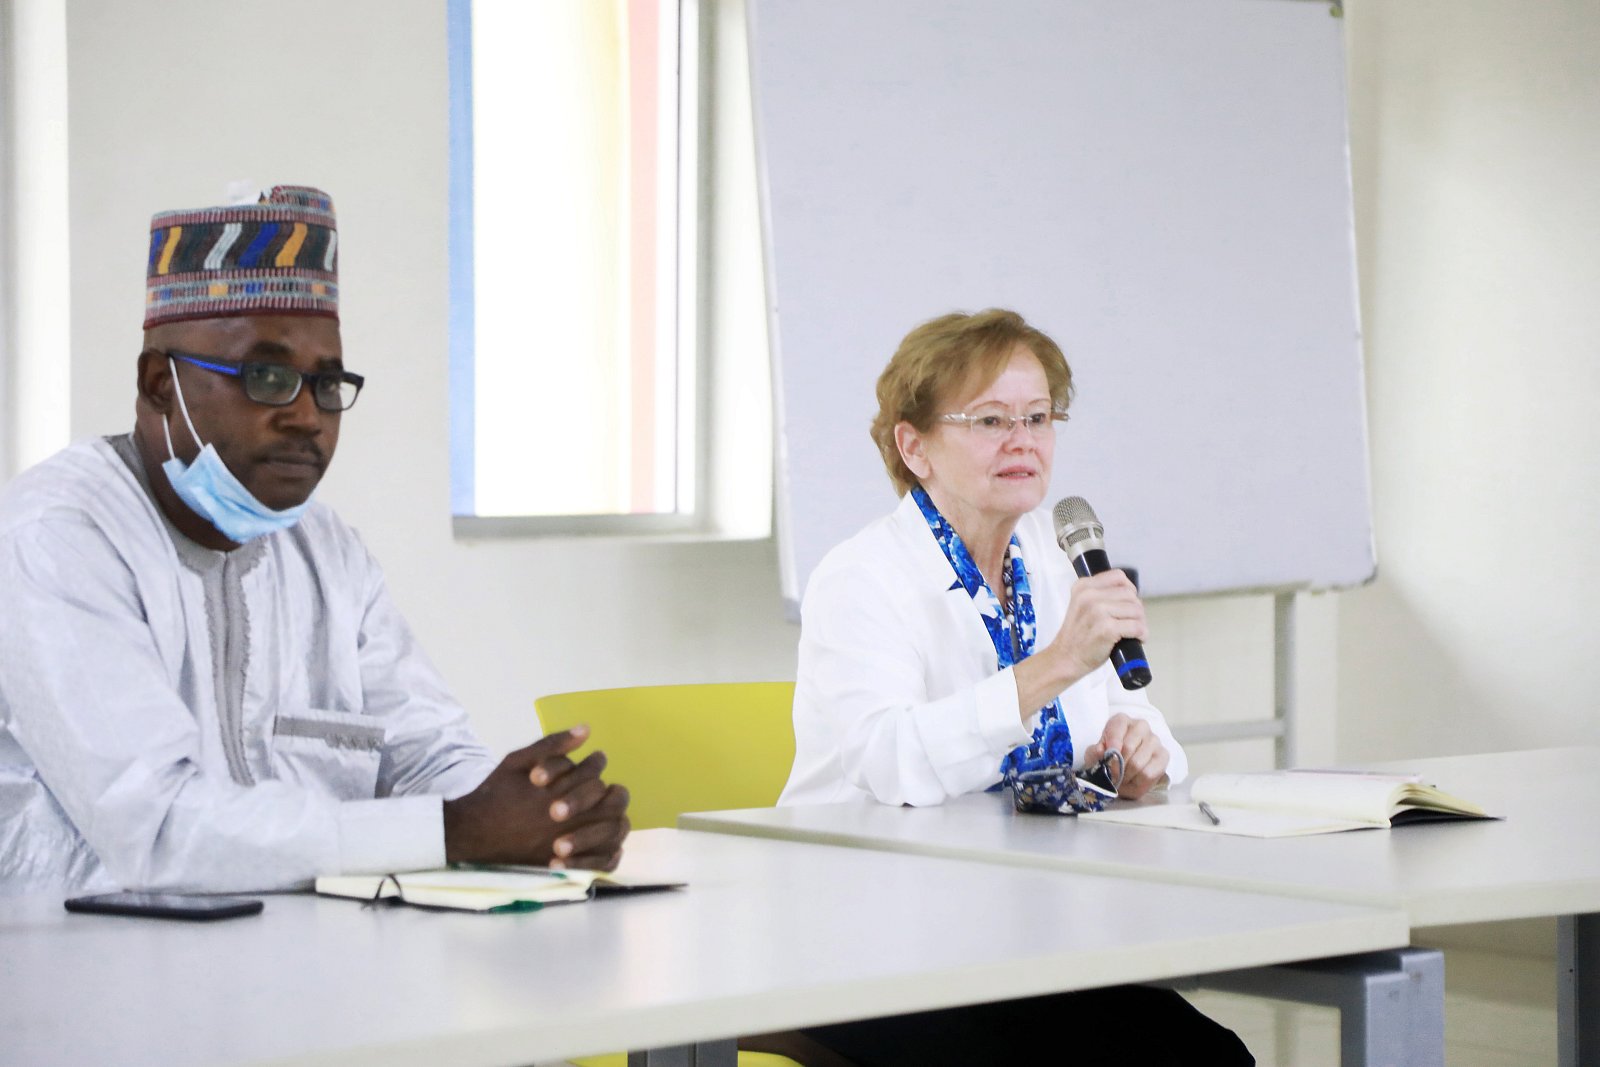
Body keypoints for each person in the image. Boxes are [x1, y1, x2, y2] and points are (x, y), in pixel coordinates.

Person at [0, 185, 629, 895]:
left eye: (327, 383)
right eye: (267, 377)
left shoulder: (324, 549)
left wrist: (543, 813)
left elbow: (426, 756)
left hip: (302, 958)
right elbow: (157, 828)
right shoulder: (57, 539)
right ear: (158, 385)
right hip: (77, 971)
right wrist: (456, 831)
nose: (307, 415)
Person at [776, 309, 1253, 1065]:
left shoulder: (1059, 554)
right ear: (914, 445)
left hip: (1030, 924)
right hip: (870, 933)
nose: (1023, 440)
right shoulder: (860, 577)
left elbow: (1142, 724)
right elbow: (892, 763)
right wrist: (1054, 665)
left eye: (1038, 417)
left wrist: (1142, 752)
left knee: (1205, 1057)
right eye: (991, 419)